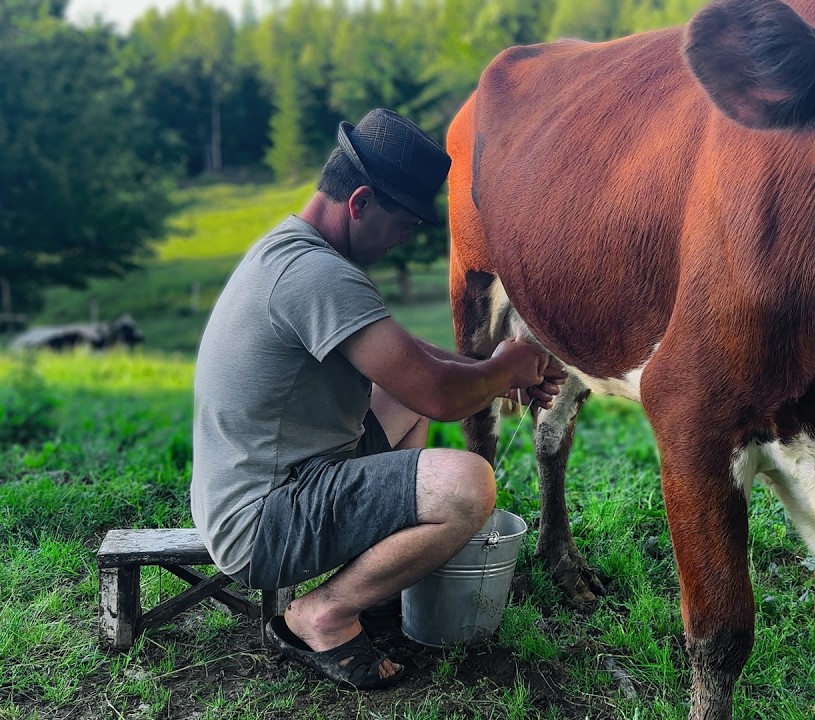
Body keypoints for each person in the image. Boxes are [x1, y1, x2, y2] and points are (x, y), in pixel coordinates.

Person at [190, 108, 564, 690]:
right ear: (360, 202)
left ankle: (375, 580)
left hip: (282, 477)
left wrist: (494, 372)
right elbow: (440, 395)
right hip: (262, 519)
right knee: (470, 487)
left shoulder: (300, 252)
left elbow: (415, 363)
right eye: (404, 224)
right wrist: (503, 367)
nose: (406, 240)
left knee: (406, 392)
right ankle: (324, 615)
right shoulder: (316, 276)